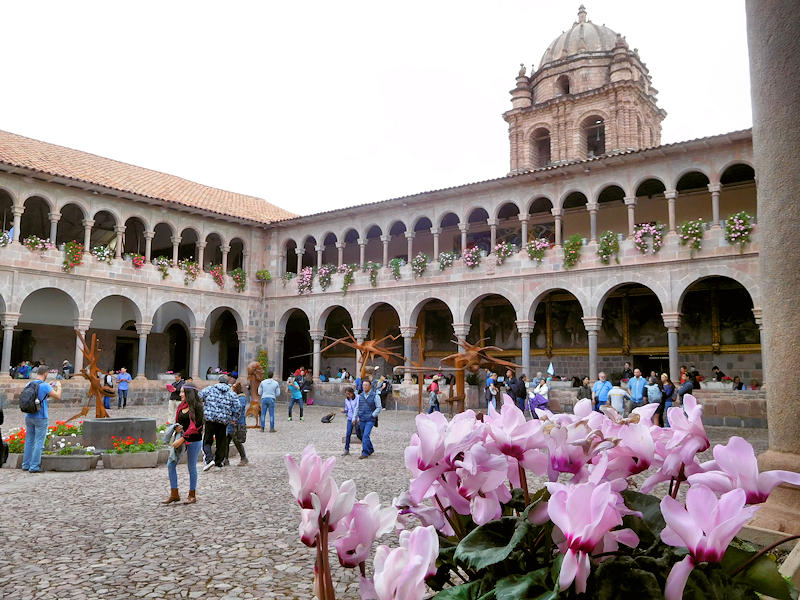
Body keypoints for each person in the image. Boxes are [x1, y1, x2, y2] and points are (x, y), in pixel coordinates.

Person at [164, 385, 204, 505]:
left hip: (194, 440)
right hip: (181, 438)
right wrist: (176, 427)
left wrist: (182, 439)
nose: (180, 394)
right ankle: (174, 494)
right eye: (180, 392)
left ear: (189, 393)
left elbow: (197, 427)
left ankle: (192, 495)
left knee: (191, 466)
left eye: (182, 392)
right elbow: (178, 422)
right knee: (171, 464)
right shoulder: (181, 406)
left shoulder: (198, 407)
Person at [21, 366, 63, 473]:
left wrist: (48, 386)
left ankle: (26, 464)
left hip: (29, 416)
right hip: (41, 417)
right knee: (39, 442)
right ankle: (34, 466)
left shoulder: (29, 384)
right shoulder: (44, 386)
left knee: (29, 441)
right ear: (45, 374)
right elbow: (57, 396)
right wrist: (59, 386)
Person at [199, 374, 240, 471]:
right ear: (227, 382)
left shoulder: (210, 389)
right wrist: (234, 418)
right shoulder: (231, 393)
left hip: (210, 419)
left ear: (218, 381)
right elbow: (238, 407)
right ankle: (218, 462)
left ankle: (209, 459)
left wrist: (205, 407)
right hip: (223, 421)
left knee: (207, 441)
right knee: (221, 442)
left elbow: (199, 396)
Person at [354, 380, 381, 459]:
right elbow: (357, 407)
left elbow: (379, 407)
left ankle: (365, 452)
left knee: (366, 435)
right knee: (362, 435)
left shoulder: (375, 395)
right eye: (363, 385)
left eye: (366, 385)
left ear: (370, 386)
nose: (364, 387)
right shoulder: (360, 396)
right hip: (362, 419)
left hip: (370, 419)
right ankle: (371, 449)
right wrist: (354, 417)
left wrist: (373, 415)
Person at [224, 381, 248, 467]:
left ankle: (244, 458)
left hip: (238, 423)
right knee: (226, 441)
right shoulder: (235, 398)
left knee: (237, 441)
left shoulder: (241, 399)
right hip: (231, 423)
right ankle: (225, 459)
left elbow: (238, 410)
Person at [341, 386, 358, 456]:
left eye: (349, 394)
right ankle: (346, 449)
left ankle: (366, 448)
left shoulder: (358, 398)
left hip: (357, 418)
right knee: (348, 434)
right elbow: (347, 409)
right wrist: (344, 411)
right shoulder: (346, 400)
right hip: (350, 418)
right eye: (346, 394)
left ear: (352, 393)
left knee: (360, 434)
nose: (348, 395)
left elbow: (358, 408)